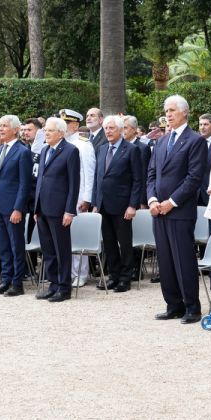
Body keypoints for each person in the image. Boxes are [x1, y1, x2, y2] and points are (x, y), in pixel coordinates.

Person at [146, 95, 207, 323]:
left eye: (172, 110)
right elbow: (151, 174)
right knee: (165, 260)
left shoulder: (195, 140)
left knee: (183, 260)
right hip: (158, 211)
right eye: (166, 111)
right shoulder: (161, 141)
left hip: (179, 211)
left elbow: (194, 178)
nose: (168, 114)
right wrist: (152, 200)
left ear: (185, 112)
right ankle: (173, 305)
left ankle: (192, 307)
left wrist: (171, 202)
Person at [91, 115, 144, 293]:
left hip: (122, 205)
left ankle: (125, 278)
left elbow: (138, 180)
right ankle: (113, 275)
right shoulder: (102, 149)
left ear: (121, 130)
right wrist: (95, 202)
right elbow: (98, 177)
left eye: (112, 128)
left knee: (125, 243)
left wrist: (132, 205)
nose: (108, 131)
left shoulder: (131, 150)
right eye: (106, 128)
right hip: (103, 205)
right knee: (109, 243)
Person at [34, 117, 80, 302]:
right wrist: (36, 207)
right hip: (43, 208)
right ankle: (53, 285)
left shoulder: (71, 151)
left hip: (60, 210)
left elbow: (74, 184)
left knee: (62, 250)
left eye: (50, 130)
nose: (46, 133)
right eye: (45, 130)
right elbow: (41, 180)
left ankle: (64, 287)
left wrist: (69, 210)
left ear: (61, 133)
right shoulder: (45, 150)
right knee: (48, 250)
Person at [0, 115, 32, 296]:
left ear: (15, 130)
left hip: (13, 208)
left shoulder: (23, 151)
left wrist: (18, 208)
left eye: (5, 126)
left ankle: (17, 283)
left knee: (16, 246)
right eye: (0, 125)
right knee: (3, 246)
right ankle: (5, 280)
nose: (1, 129)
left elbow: (25, 183)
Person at [59, 109, 95, 287]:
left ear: (74, 125)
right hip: (62, 197)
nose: (63, 126)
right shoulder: (61, 144)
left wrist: (87, 198)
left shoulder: (83, 144)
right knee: (65, 237)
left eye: (66, 123)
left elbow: (89, 173)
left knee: (78, 236)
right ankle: (68, 272)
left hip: (78, 197)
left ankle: (80, 273)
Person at [198, 113, 211, 206]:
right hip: (193, 193)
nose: (202, 127)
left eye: (206, 124)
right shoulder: (193, 143)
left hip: (210, 193)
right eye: (200, 124)